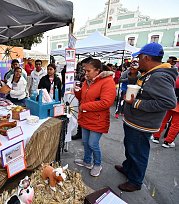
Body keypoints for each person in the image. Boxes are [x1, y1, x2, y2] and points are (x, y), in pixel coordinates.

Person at [116, 43, 177, 192]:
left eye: (139, 57)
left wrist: (135, 103)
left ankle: (135, 181)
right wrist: (132, 76)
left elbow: (169, 102)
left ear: (146, 57)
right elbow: (141, 91)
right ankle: (128, 168)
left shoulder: (159, 76)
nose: (137, 60)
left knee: (138, 152)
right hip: (135, 121)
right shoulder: (150, 73)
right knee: (131, 148)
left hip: (142, 124)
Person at [73, 59, 116, 177]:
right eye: (84, 70)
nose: (85, 73)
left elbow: (106, 102)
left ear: (97, 71)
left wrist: (84, 106)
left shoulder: (107, 81)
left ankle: (97, 164)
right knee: (86, 142)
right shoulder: (87, 81)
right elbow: (83, 97)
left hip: (98, 119)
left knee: (93, 143)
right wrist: (77, 92)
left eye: (88, 71)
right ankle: (87, 161)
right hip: (86, 117)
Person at [151, 74, 179, 148]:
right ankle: (167, 142)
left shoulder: (175, 77)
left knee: (163, 120)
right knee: (175, 125)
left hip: (170, 101)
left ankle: (156, 137)